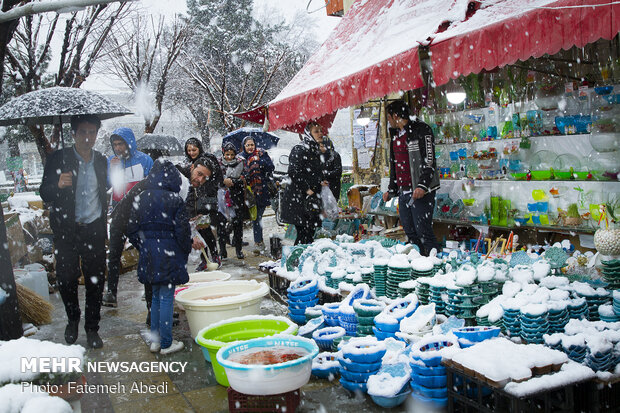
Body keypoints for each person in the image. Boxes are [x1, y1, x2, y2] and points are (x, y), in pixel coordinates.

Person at [39, 114, 108, 349]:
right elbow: (44, 193)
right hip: (68, 230)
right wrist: (57, 185)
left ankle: (92, 328)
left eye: (92, 133)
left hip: (94, 229)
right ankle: (72, 319)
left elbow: (105, 187)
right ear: (74, 134)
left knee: (95, 281)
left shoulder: (101, 160)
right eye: (83, 132)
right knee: (66, 278)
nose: (87, 138)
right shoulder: (58, 158)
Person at [127, 160, 190, 355]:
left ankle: (155, 341)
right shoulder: (175, 199)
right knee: (166, 298)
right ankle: (166, 343)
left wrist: (144, 245)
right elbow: (182, 232)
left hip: (149, 254)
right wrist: (184, 249)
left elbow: (131, 228)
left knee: (154, 296)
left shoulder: (141, 197)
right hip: (169, 253)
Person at [383, 100, 441, 255]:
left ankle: (433, 265)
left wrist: (422, 185)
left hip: (421, 191)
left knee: (424, 232)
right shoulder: (395, 135)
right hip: (404, 192)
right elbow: (395, 163)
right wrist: (391, 189)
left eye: (389, 118)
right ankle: (418, 265)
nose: (388, 121)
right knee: (410, 232)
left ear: (395, 116)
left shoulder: (421, 129)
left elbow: (429, 159)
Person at [280, 121, 324, 245]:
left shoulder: (315, 150)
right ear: (308, 134)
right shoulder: (300, 149)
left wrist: (320, 181)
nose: (320, 133)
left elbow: (314, 172)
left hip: (309, 201)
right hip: (300, 200)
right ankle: (297, 260)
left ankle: (304, 260)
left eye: (321, 130)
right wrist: (307, 189)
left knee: (308, 234)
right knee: (303, 235)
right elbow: (293, 172)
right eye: (316, 131)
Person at [185, 155, 222, 269]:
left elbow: (212, 197)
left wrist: (205, 210)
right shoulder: (181, 180)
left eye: (205, 177)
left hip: (202, 212)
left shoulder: (209, 180)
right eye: (199, 174)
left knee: (206, 233)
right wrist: (190, 216)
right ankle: (204, 259)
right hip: (190, 216)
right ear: (192, 167)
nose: (200, 179)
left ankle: (214, 256)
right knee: (198, 237)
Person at [240, 136, 275, 255]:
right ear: (244, 146)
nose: (250, 147)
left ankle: (258, 242)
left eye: (252, 145)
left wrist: (260, 162)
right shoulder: (241, 158)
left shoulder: (262, 154)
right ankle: (256, 241)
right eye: (248, 145)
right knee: (253, 217)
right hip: (248, 192)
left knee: (257, 217)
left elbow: (271, 167)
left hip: (261, 191)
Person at [107, 127, 154, 204]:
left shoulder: (145, 160)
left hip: (138, 206)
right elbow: (106, 186)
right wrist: (112, 170)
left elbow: (152, 186)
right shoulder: (111, 161)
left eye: (120, 144)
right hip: (117, 207)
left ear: (128, 144)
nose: (117, 148)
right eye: (114, 145)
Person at [218, 142, 248, 260]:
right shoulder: (218, 163)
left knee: (238, 224)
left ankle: (238, 249)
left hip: (237, 197)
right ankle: (222, 249)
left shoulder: (241, 162)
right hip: (222, 199)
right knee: (221, 224)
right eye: (227, 154)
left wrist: (234, 182)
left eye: (231, 154)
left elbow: (246, 178)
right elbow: (215, 179)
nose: (229, 157)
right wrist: (224, 181)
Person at [319, 138, 343, 202]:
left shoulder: (335, 156)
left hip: (333, 185)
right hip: (322, 186)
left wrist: (326, 174)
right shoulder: (320, 156)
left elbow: (338, 171)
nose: (320, 148)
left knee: (332, 205)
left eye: (322, 146)